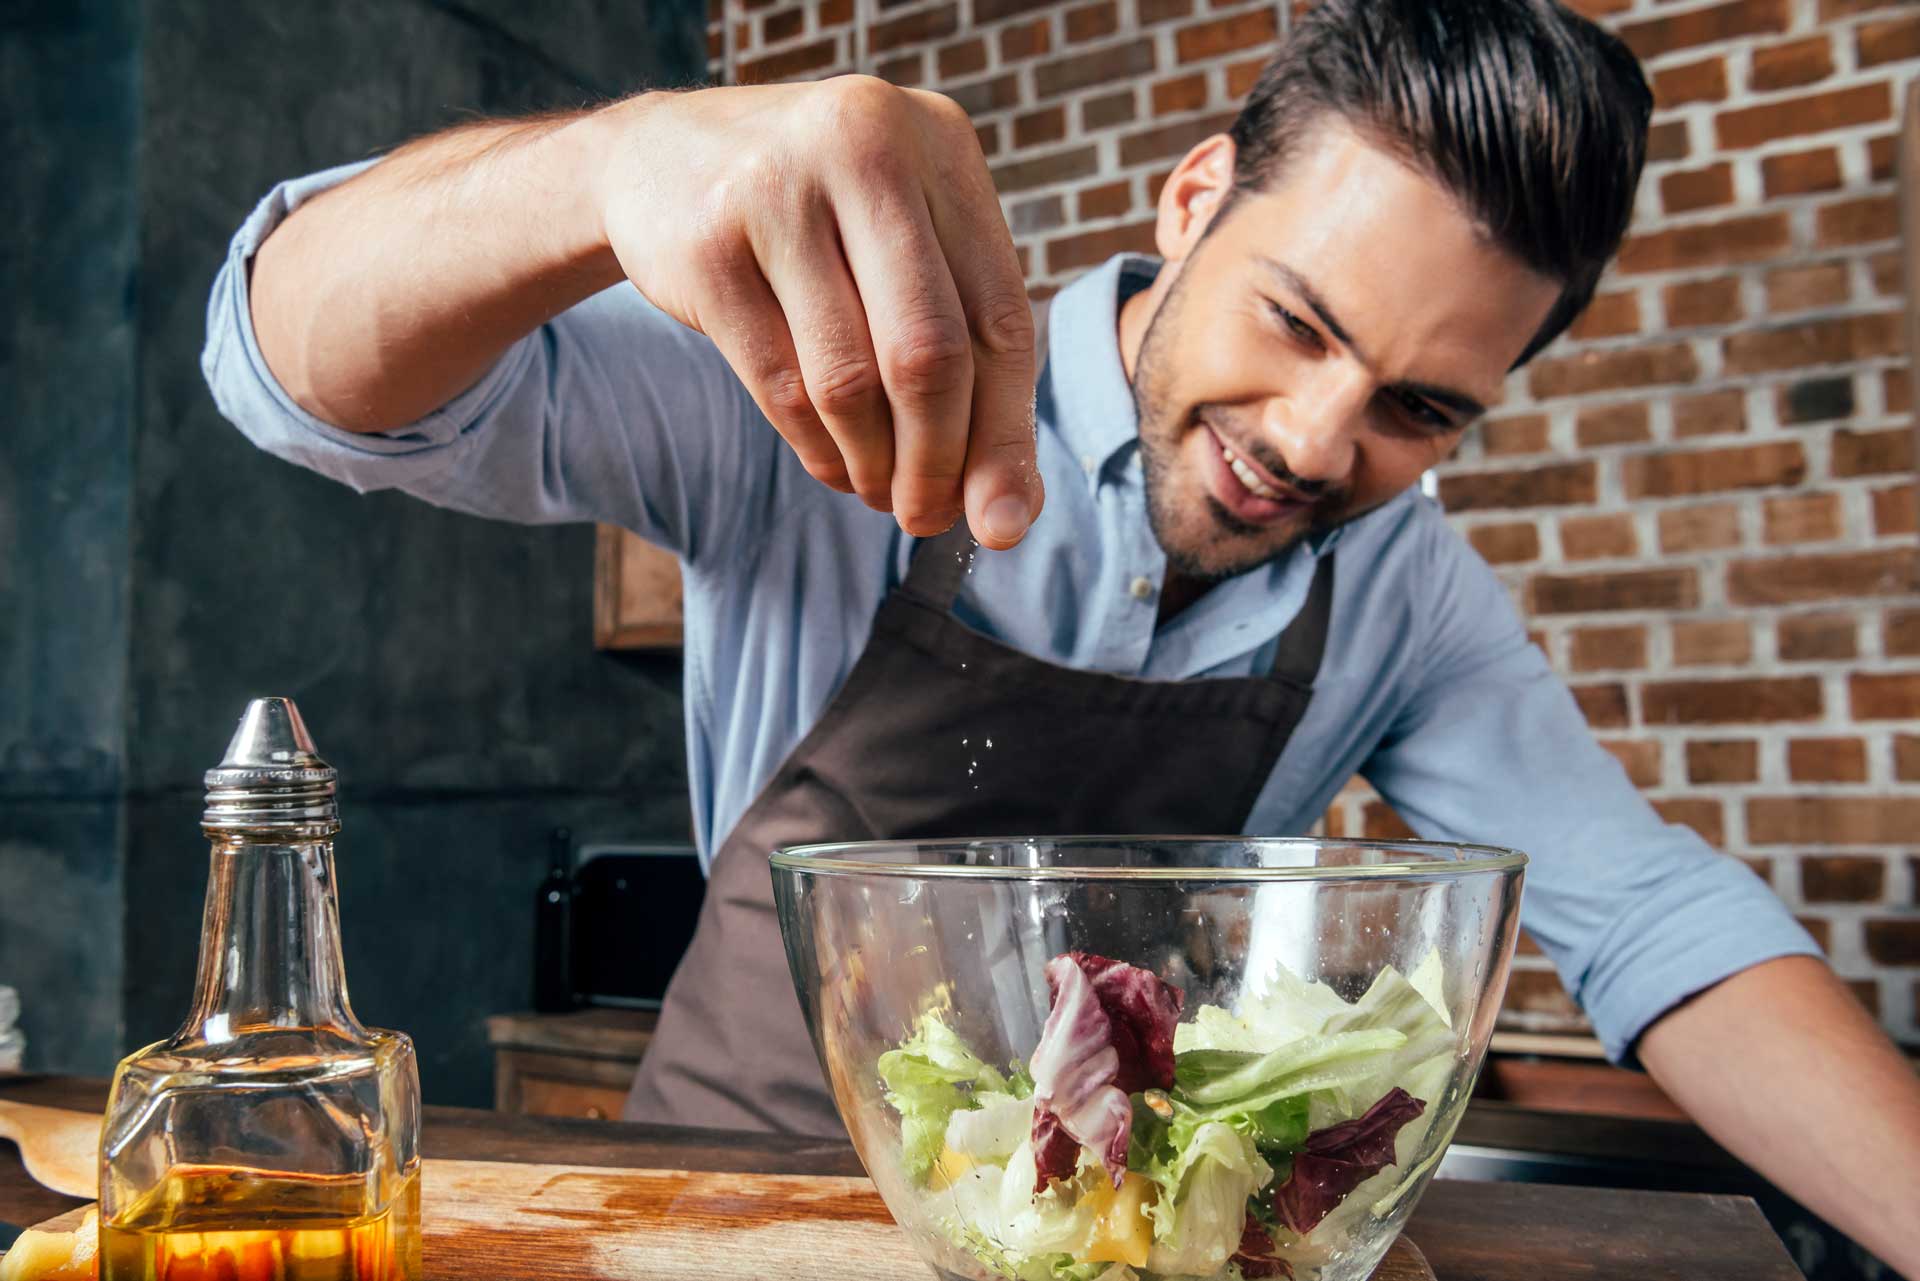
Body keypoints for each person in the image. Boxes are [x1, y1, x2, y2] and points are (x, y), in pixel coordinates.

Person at [202, 0, 1919, 1268]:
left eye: (1417, 407)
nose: (1321, 444)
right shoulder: (853, 366)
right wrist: (608, 161)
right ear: (1192, 200)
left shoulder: (1404, 589)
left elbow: (1658, 919)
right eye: (1297, 322)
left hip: (1120, 1245)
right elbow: (292, 378)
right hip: (724, 1214)